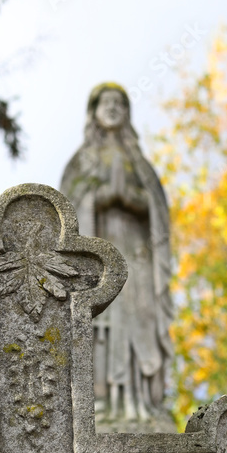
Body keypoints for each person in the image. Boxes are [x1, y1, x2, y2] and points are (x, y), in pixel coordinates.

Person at [61, 83, 172, 423]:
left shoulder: (138, 162)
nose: (112, 108)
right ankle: (101, 402)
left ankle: (144, 404)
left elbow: (159, 209)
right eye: (105, 102)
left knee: (140, 318)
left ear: (127, 113)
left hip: (137, 257)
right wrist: (100, 198)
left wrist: (133, 200)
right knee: (101, 322)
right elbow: (65, 214)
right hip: (98, 260)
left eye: (119, 103)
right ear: (93, 112)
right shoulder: (82, 160)